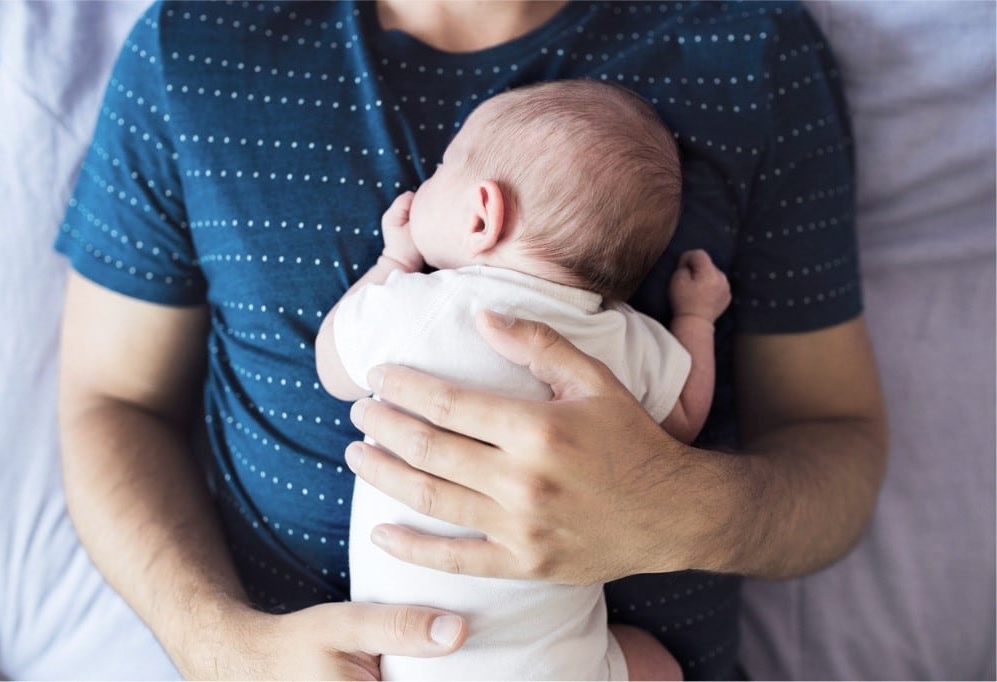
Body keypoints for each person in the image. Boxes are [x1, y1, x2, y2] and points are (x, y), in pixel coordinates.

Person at [54, 1, 887, 679]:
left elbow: (835, 440)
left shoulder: (748, 42)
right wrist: (220, 650)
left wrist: (675, 514)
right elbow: (111, 402)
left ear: (481, 210)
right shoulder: (195, 44)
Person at [315, 79, 731, 680]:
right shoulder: (621, 339)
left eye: (441, 170)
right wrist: (696, 317)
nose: (425, 183)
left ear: (482, 214)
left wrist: (393, 263)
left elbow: (332, 368)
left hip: (416, 656)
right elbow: (687, 417)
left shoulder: (418, 306)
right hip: (563, 666)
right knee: (656, 662)